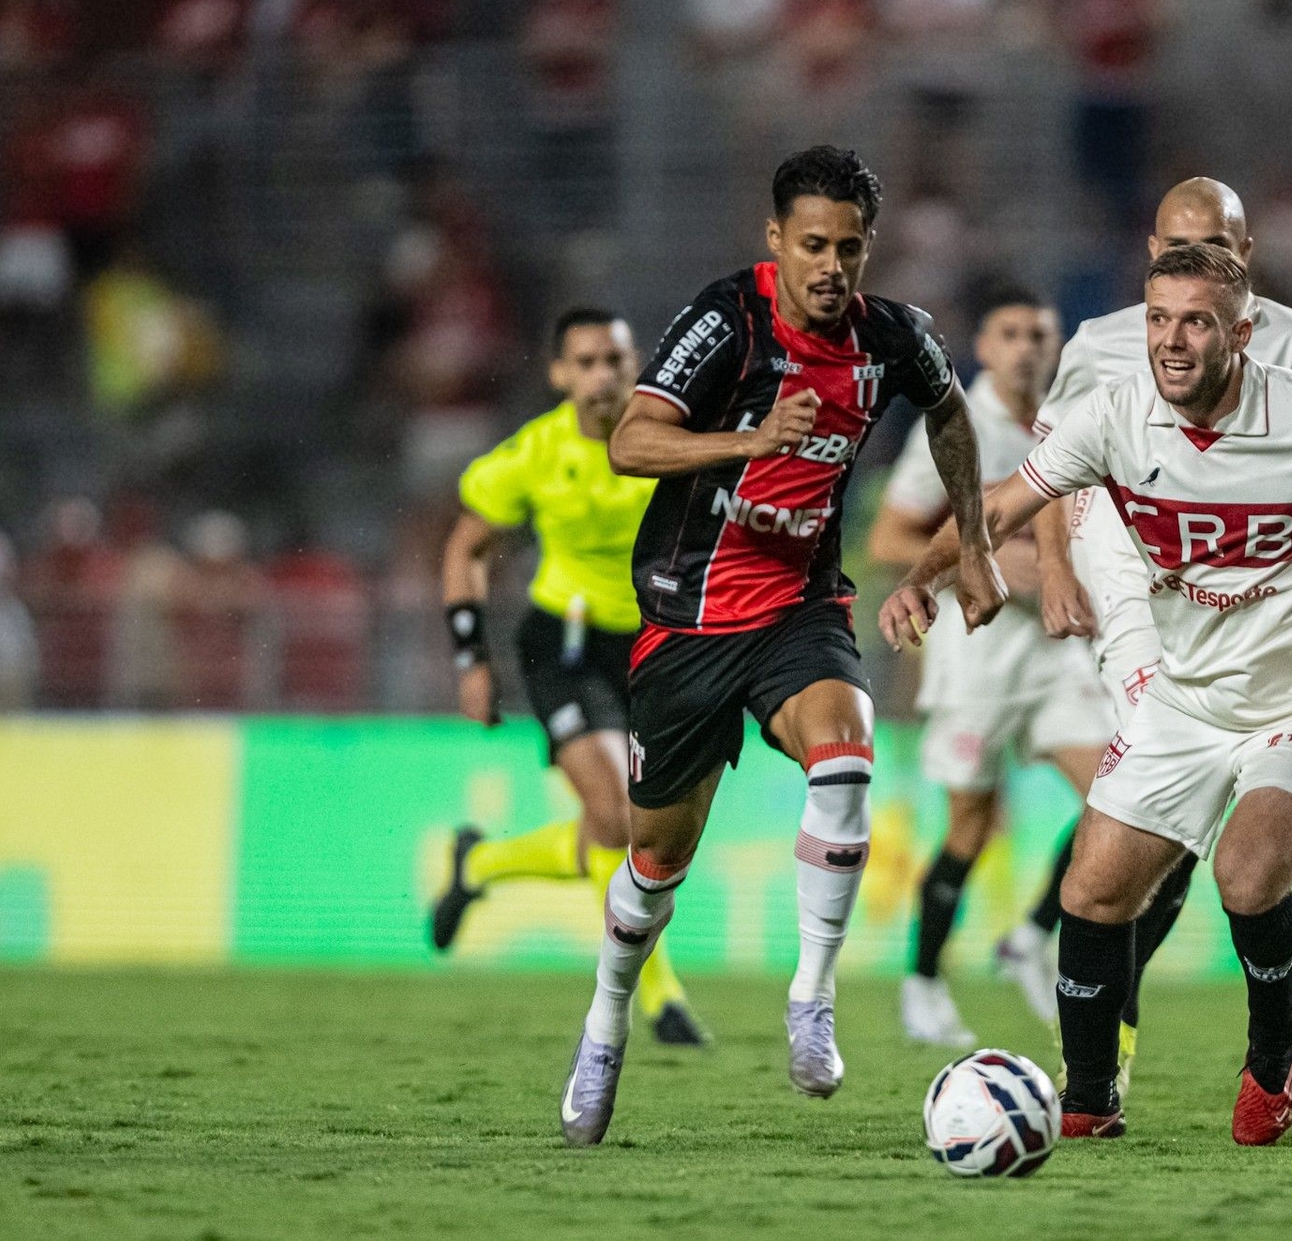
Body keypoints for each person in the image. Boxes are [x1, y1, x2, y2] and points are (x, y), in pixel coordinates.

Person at [881, 243, 1292, 1144]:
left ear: (1241, 331)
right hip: (1187, 701)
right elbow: (997, 508)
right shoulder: (1115, 416)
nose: (1171, 341)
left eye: (1195, 321)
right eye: (1157, 320)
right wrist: (924, 577)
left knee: (1245, 875)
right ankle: (1088, 1101)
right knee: (1092, 890)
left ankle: (1273, 1058)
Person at [558, 146, 1000, 1145]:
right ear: (776, 242)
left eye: (850, 246)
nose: (832, 266)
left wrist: (972, 542)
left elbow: (951, 413)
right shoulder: (728, 320)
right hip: (688, 619)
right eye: (812, 245)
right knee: (654, 864)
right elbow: (631, 441)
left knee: (848, 754)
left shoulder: (891, 338)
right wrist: (749, 442)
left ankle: (812, 999)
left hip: (801, 611)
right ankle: (605, 1023)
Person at [992, 176, 1292, 1094]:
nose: (1204, 265)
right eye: (1185, 247)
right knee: (1160, 829)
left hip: (1249, 617)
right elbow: (1052, 466)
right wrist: (1058, 572)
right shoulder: (1101, 344)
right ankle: (1096, 1045)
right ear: (1151, 253)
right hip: (1133, 602)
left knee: (1180, 846)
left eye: (1223, 248)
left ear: (1246, 257)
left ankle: (1094, 1015)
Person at [433, 308, 705, 1047]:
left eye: (614, 360)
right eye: (584, 362)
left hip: (654, 644)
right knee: (618, 816)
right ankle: (661, 996)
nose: (601, 376)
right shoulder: (533, 455)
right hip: (565, 644)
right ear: (560, 374)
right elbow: (466, 551)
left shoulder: (668, 439)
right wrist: (471, 660)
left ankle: (482, 861)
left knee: (634, 828)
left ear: (636, 364)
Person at [867, 286, 1111, 1049]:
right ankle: (925, 983)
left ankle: (1032, 937)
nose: (1028, 347)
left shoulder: (1077, 415)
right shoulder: (955, 425)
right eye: (1011, 333)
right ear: (983, 346)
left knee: (1119, 795)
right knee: (968, 829)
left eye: (1040, 333)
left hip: (1054, 650)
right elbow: (886, 542)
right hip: (975, 656)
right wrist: (986, 553)